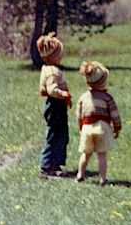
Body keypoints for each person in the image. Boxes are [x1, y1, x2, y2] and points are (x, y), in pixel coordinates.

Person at [76, 61, 122, 185]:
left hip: (87, 128)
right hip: (102, 128)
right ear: (103, 82)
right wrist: (117, 127)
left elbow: (79, 115)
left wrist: (81, 127)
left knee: (86, 154)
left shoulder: (83, 97)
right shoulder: (107, 98)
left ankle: (80, 174)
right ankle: (103, 179)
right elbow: (114, 114)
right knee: (101, 155)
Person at [38, 32, 72, 178]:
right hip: (55, 105)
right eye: (59, 54)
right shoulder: (52, 71)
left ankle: (55, 164)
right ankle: (46, 166)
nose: (61, 56)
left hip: (57, 105)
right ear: (53, 56)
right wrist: (63, 94)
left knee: (61, 135)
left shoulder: (48, 68)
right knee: (55, 135)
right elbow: (51, 90)